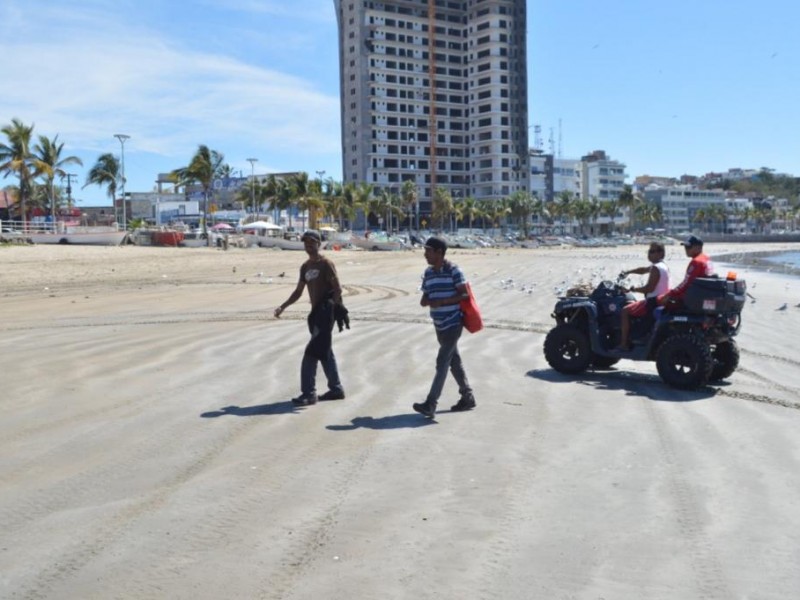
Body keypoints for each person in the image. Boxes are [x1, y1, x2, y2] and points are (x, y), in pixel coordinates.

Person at [274, 230, 346, 406]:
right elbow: (299, 291)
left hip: (325, 315)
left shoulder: (326, 264)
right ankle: (336, 389)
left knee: (311, 353)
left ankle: (309, 393)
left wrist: (330, 309)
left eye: (312, 242)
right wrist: (283, 306)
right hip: (315, 315)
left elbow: (337, 289)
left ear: (319, 244)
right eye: (305, 242)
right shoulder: (305, 267)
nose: (308, 245)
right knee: (324, 350)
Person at [413, 237, 475, 418]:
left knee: (442, 363)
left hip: (454, 323)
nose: (425, 254)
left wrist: (443, 301)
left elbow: (464, 294)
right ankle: (467, 397)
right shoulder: (429, 273)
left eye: (428, 251)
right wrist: (426, 301)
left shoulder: (454, 270)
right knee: (454, 362)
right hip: (439, 325)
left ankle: (430, 403)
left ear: (439, 252)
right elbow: (424, 298)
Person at [615, 242, 670, 351]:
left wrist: (632, 289)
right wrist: (628, 272)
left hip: (652, 302)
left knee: (625, 310)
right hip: (661, 300)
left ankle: (623, 344)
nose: (649, 254)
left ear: (661, 254)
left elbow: (649, 288)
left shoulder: (656, 268)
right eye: (649, 251)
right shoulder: (663, 266)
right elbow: (643, 270)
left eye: (652, 252)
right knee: (632, 304)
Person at [658, 234, 714, 308]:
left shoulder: (696, 262)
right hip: (701, 294)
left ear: (698, 247)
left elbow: (686, 284)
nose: (686, 249)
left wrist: (669, 294)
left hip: (693, 298)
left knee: (657, 303)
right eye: (685, 247)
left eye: (689, 247)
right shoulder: (706, 259)